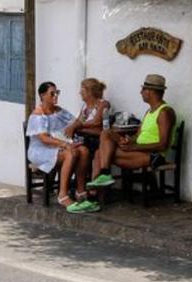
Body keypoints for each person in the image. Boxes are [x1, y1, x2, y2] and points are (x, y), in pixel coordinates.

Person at [70, 74, 176, 214]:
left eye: (143, 89)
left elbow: (163, 144)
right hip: (138, 150)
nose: (141, 92)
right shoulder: (149, 112)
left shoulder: (165, 112)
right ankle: (104, 176)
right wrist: (129, 140)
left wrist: (134, 147)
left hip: (153, 155)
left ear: (151, 91)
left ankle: (93, 198)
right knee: (107, 133)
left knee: (98, 154)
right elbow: (138, 135)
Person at [25, 81, 85, 208]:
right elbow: (44, 139)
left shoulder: (59, 111)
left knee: (84, 150)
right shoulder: (38, 116)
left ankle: (80, 191)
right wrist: (64, 144)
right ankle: (62, 195)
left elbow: (78, 122)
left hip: (58, 146)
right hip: (41, 150)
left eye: (57, 93)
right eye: (52, 94)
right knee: (71, 153)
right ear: (42, 96)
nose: (55, 96)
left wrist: (72, 127)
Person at [64, 78, 111, 155]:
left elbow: (96, 122)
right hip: (84, 137)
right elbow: (80, 121)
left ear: (90, 92)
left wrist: (76, 127)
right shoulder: (85, 107)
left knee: (77, 151)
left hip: (95, 139)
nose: (80, 93)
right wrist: (73, 127)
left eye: (82, 91)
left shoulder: (102, 104)